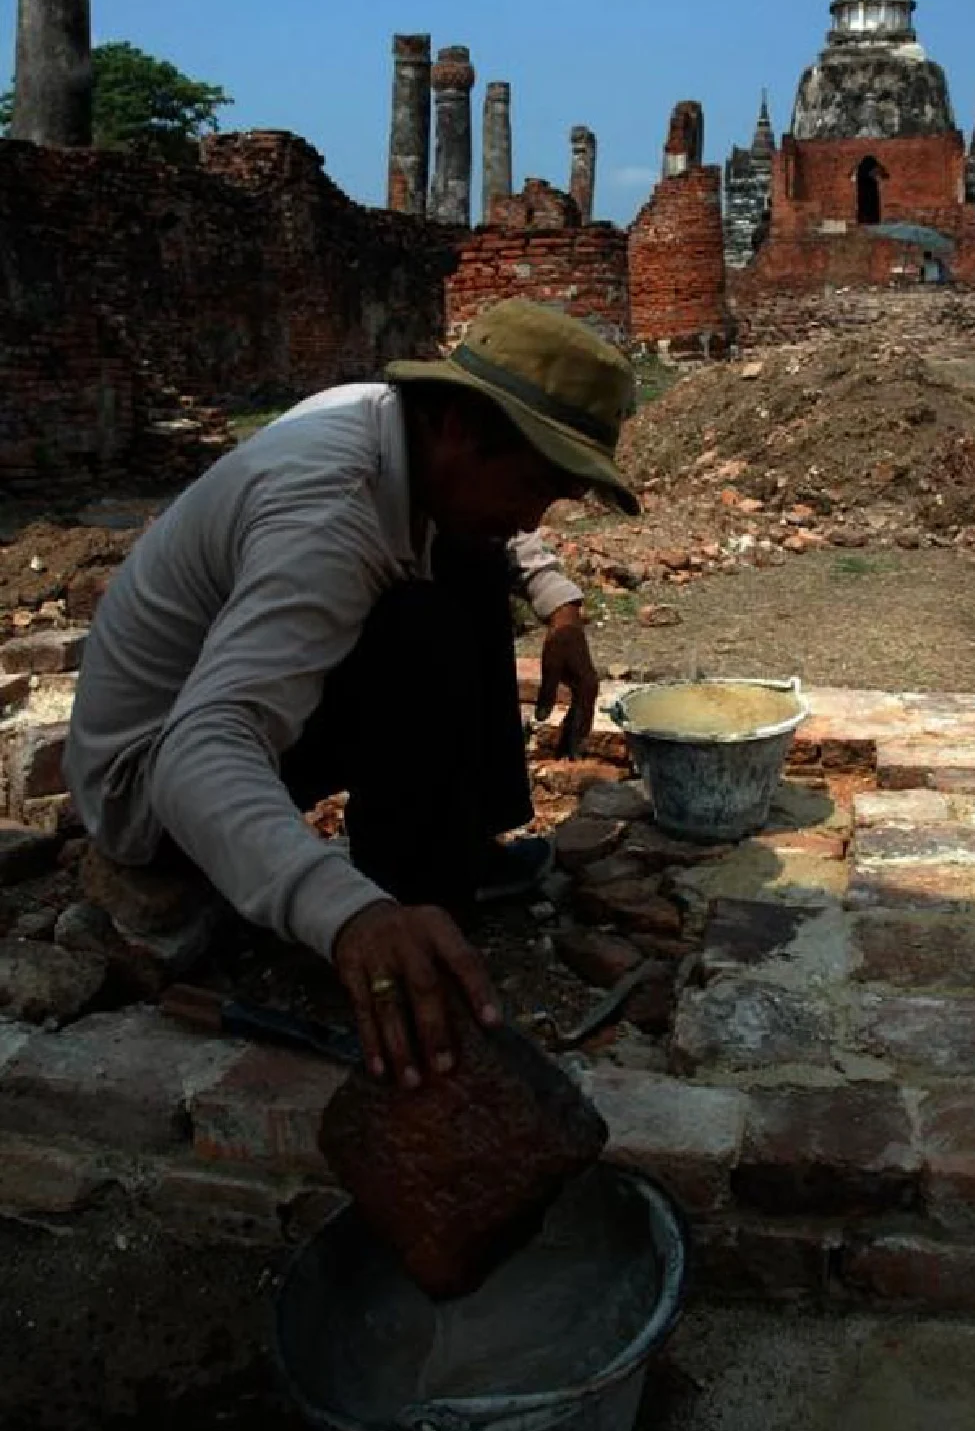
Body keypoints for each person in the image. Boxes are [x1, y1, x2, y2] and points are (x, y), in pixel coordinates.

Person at [64, 300, 639, 1088]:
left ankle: (457, 857)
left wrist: (560, 605)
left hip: (212, 733)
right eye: (538, 484)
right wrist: (347, 912)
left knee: (467, 558)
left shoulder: (388, 423)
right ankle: (406, 920)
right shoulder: (332, 512)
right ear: (462, 427)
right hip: (153, 784)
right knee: (418, 627)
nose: (534, 513)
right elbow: (196, 751)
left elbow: (501, 525)